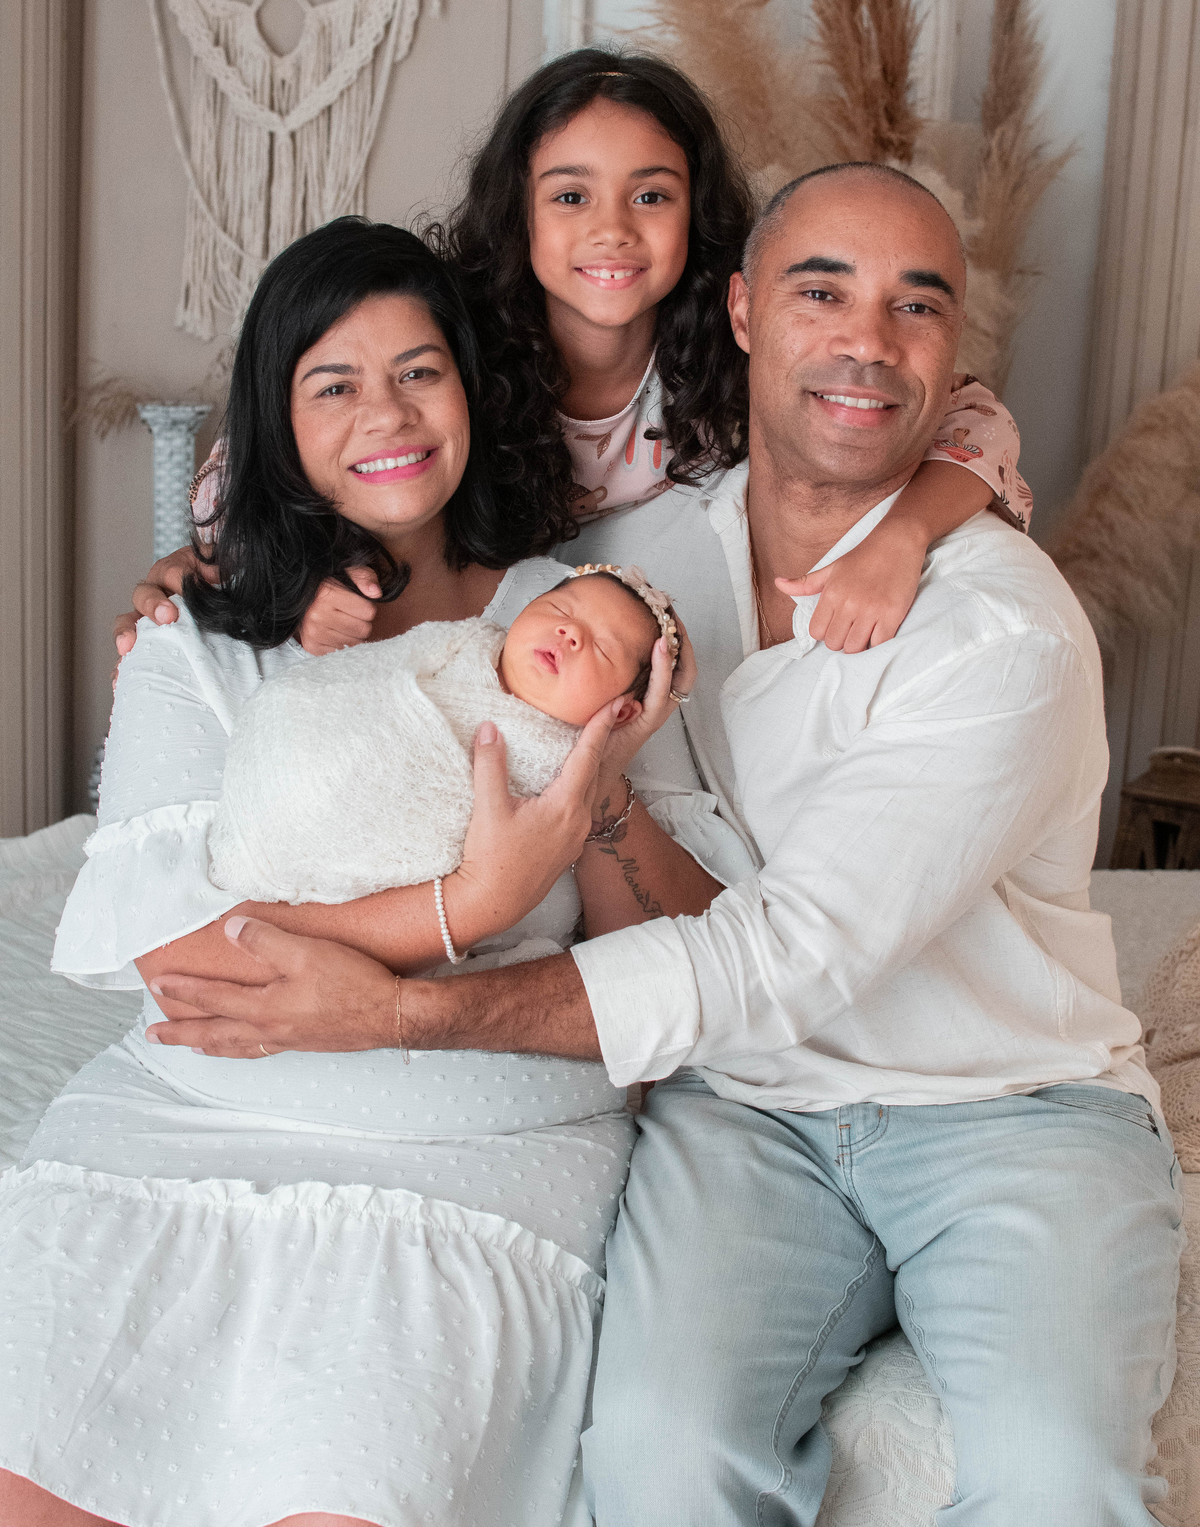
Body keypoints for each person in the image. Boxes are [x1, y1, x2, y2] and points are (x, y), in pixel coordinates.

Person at [149, 166, 1183, 1526]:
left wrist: (405, 1010)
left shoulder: (1002, 629)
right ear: (744, 310)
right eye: (823, 292)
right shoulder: (632, 565)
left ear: (954, 354)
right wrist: (210, 580)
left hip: (1009, 1106)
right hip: (745, 1115)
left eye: (916, 306)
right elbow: (383, 497)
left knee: (1059, 1480)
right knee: (654, 1458)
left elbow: (782, 956)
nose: (868, 342)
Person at [0, 219, 716, 1527]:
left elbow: (672, 980)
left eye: (419, 371)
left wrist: (603, 793)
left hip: (471, 1157)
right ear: (275, 424)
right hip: (182, 1126)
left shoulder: (577, 624)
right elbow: (186, 960)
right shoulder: (202, 638)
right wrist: (471, 909)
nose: (386, 413)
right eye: (333, 383)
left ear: (470, 394)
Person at [140, 48, 1029, 664]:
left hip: (627, 643)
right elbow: (265, 459)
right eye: (571, 196)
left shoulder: (737, 342)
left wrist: (905, 533)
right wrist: (234, 572)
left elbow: (974, 417)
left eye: (651, 196)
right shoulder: (446, 346)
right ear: (519, 210)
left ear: (696, 214)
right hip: (462, 634)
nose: (612, 230)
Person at [209, 564, 681, 912]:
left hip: (375, 819)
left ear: (622, 711)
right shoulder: (470, 639)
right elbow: (385, 662)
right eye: (559, 609)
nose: (570, 632)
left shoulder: (568, 767)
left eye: (602, 648)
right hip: (311, 741)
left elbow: (496, 840)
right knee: (297, 712)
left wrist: (607, 760)